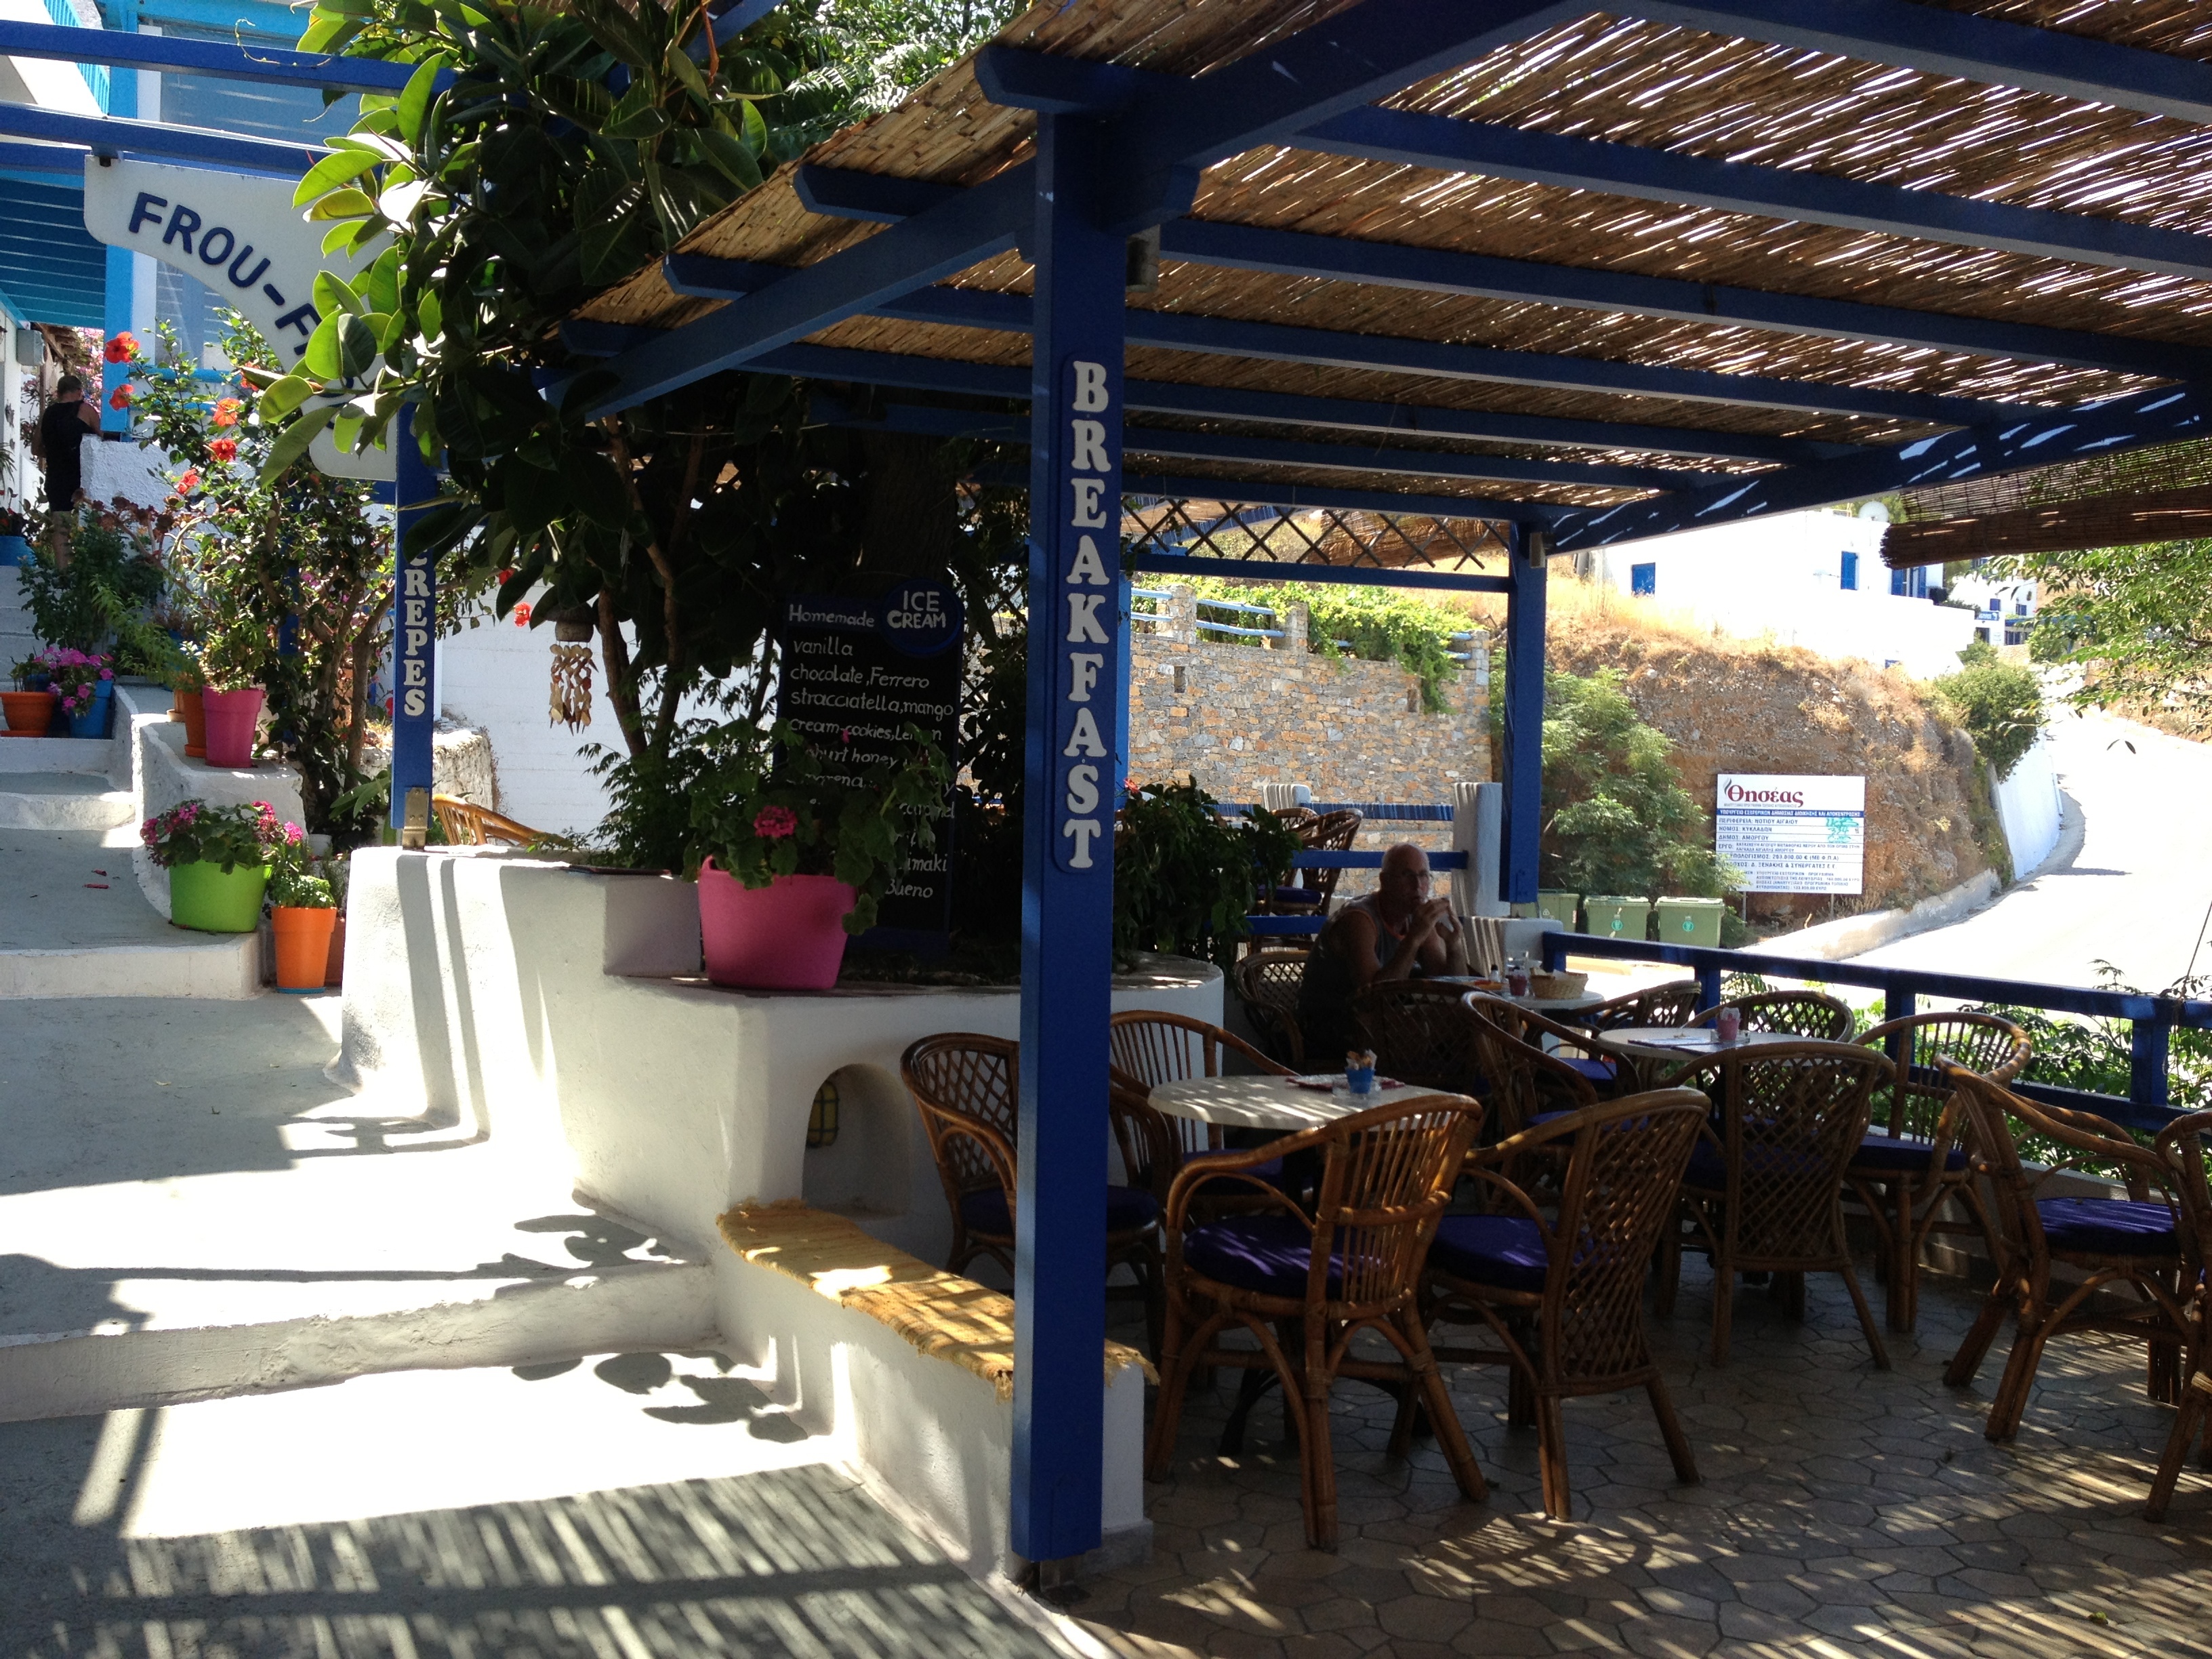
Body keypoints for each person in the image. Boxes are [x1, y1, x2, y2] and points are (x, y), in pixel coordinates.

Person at [1296, 842, 1471, 1069]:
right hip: (1328, 1027)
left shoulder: (1416, 919)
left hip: (1381, 1025)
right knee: (1426, 1029)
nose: (1418, 885)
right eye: (1407, 876)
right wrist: (1413, 939)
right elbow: (1373, 999)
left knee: (1469, 1020)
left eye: (1423, 876)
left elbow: (1451, 988)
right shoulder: (1359, 919)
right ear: (1384, 881)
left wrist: (1454, 945)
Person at [32, 375, 100, 518]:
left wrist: (57, 454)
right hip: (82, 476)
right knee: (89, 523)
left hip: (56, 478)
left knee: (61, 525)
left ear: (59, 393)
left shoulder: (47, 414)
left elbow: (36, 449)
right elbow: (106, 440)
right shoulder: (85, 410)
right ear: (79, 391)